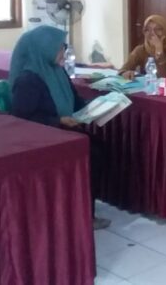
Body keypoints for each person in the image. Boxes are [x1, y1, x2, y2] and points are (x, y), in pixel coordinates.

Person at [10, 25, 110, 230]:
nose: (64, 52)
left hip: (62, 130)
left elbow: (75, 100)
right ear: (45, 49)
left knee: (99, 147)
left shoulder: (57, 70)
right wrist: (58, 121)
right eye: (60, 47)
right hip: (43, 137)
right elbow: (24, 118)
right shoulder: (28, 79)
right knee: (92, 153)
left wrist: (97, 107)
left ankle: (82, 208)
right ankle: (82, 215)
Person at [120, 15, 166, 80]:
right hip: (147, 85)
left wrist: (159, 49)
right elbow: (124, 69)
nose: (152, 33)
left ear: (165, 31)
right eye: (147, 30)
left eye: (158, 29)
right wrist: (126, 73)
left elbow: (164, 75)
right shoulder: (140, 50)